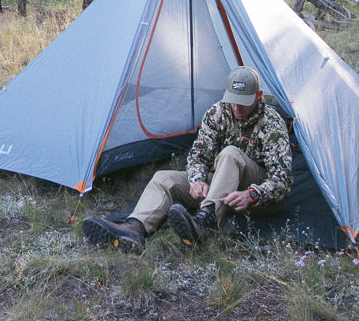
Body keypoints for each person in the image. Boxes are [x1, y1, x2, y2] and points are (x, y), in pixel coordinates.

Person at [82, 66, 292, 251]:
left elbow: (282, 181)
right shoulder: (218, 113)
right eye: (233, 101)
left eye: (243, 103)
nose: (237, 108)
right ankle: (134, 228)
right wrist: (197, 180)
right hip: (221, 185)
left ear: (259, 96)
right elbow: (198, 155)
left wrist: (253, 194)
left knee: (230, 153)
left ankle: (204, 223)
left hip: (254, 194)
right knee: (164, 179)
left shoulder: (272, 124)